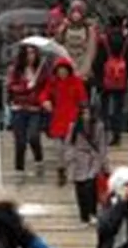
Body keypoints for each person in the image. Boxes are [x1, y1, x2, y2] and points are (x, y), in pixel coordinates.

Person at [39, 58, 88, 186]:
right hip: (57, 119)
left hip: (72, 119)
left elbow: (83, 99)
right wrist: (45, 101)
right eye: (60, 70)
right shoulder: (53, 82)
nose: (62, 73)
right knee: (58, 149)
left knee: (69, 149)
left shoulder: (76, 82)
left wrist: (83, 112)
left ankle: (69, 172)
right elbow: (44, 94)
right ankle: (61, 169)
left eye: (64, 70)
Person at [6, 43, 48, 176]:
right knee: (20, 141)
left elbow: (45, 88)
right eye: (28, 53)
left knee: (34, 136)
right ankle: (19, 168)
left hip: (35, 108)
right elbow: (11, 87)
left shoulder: (41, 71)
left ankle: (38, 158)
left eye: (33, 53)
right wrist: (26, 86)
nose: (31, 56)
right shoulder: (15, 70)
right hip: (19, 108)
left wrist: (42, 98)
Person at [65, 104, 109, 225]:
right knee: (80, 188)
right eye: (83, 113)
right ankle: (83, 215)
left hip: (93, 159)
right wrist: (69, 159)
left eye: (88, 113)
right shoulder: (74, 126)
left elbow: (102, 146)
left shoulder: (99, 126)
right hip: (78, 160)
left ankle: (92, 212)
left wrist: (104, 164)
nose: (86, 116)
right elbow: (69, 144)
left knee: (91, 187)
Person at [93, 14, 128, 145]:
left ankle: (104, 132)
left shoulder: (104, 40)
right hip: (121, 80)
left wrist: (97, 79)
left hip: (105, 79)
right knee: (118, 108)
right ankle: (117, 135)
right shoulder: (126, 41)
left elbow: (98, 62)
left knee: (104, 107)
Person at [55, 0, 100, 89]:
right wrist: (61, 28)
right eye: (73, 12)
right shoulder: (65, 27)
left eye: (78, 12)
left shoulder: (89, 30)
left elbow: (91, 52)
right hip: (66, 67)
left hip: (82, 66)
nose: (76, 15)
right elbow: (57, 44)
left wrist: (83, 72)